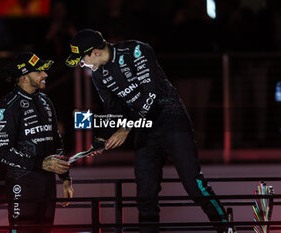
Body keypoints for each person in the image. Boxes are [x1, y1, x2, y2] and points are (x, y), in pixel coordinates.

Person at [65, 29, 235, 233]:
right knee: (145, 194)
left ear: (95, 52)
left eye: (82, 58)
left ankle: (226, 229)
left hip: (172, 120)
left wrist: (126, 128)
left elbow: (151, 94)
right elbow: (113, 109)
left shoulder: (137, 50)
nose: (81, 64)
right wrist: (101, 138)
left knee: (193, 185)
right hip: (144, 128)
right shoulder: (98, 73)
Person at [0, 52, 74, 233]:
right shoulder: (8, 106)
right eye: (39, 71)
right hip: (22, 184)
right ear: (24, 77)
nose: (45, 74)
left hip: (47, 185)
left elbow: (56, 141)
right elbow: (2, 152)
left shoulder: (46, 101)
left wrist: (65, 177)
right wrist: (41, 163)